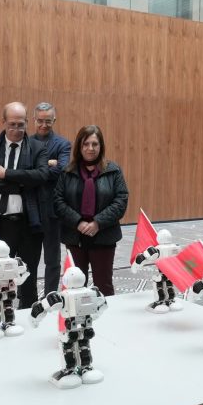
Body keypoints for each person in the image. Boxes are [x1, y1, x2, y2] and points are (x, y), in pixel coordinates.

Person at [0, 102, 49, 309]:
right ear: (3, 122)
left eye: (21, 125)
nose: (17, 130)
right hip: (0, 224)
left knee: (28, 276)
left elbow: (41, 176)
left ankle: (27, 315)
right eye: (12, 125)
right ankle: (2, 314)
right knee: (0, 276)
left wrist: (6, 174)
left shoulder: (37, 148)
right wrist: (21, 183)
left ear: (26, 123)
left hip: (29, 223)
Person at [54, 125, 129, 296]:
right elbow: (58, 201)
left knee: (104, 286)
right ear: (79, 147)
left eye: (95, 144)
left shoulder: (113, 170)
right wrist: (78, 222)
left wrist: (97, 223)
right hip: (75, 236)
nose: (90, 148)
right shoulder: (67, 172)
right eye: (86, 144)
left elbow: (121, 200)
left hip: (104, 236)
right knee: (75, 288)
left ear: (101, 146)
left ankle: (107, 314)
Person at [31, 102, 71, 294]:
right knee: (28, 258)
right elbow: (22, 168)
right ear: (34, 120)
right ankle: (27, 297)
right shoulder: (26, 142)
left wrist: (35, 168)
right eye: (40, 120)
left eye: (48, 121)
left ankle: (50, 295)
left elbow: (61, 169)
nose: (44, 125)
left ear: (54, 120)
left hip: (52, 211)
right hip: (29, 208)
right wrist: (48, 164)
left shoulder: (63, 144)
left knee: (52, 259)